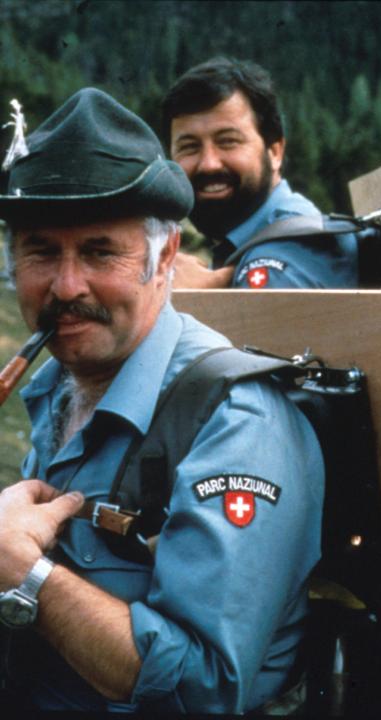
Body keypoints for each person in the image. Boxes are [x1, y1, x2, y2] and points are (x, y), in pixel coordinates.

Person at [0, 88, 323, 713]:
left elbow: (204, 687)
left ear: (165, 257)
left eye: (100, 251)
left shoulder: (235, 422)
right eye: (41, 250)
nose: (66, 285)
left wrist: (27, 577)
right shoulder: (66, 383)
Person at [161, 56, 359, 289]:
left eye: (228, 141)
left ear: (275, 152)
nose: (208, 164)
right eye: (189, 147)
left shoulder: (284, 256)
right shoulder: (256, 241)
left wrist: (195, 305)